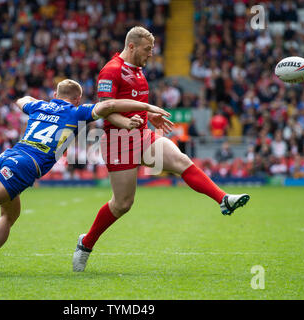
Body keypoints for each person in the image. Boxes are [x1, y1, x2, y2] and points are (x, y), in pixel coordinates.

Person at [0, 79, 170, 274]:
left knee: (9, 216)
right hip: (23, 166)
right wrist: (146, 107)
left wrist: (38, 101)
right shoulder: (77, 111)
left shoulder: (38, 106)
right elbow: (108, 106)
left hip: (9, 157)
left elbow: (21, 100)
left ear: (55, 94)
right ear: (77, 98)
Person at [72, 26, 250, 272]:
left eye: (152, 50)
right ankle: (86, 242)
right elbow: (104, 110)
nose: (151, 54)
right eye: (147, 49)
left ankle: (223, 199)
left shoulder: (139, 71)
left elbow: (136, 104)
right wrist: (126, 122)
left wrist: (148, 116)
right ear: (132, 46)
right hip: (118, 143)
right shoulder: (111, 71)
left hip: (142, 136)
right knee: (122, 204)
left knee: (180, 160)